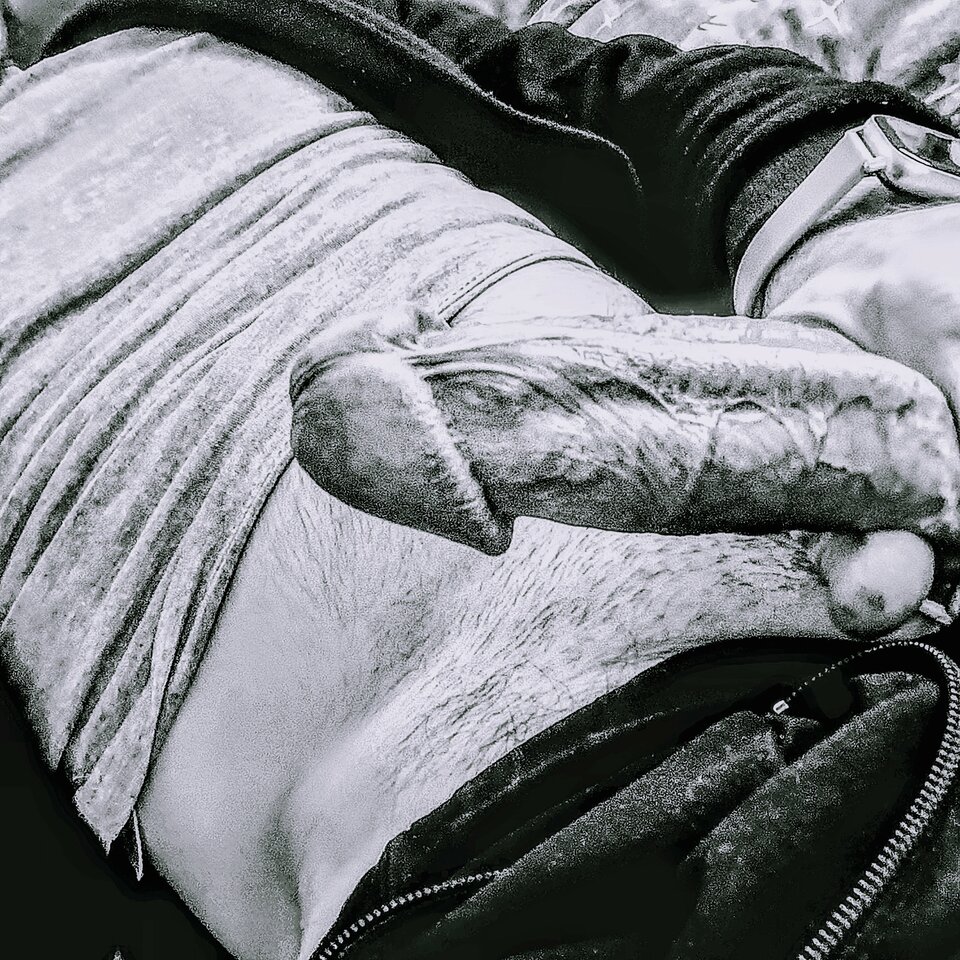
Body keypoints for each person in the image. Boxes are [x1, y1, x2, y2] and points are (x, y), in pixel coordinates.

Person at [2, 0, 960, 958]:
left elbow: (580, 86)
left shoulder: (225, 15)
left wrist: (849, 196)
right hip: (453, 890)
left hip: (840, 691)